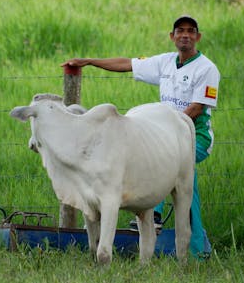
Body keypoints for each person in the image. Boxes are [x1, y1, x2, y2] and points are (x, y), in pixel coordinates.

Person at [60, 15, 220, 259]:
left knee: (180, 177)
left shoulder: (207, 69)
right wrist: (90, 61)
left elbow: (196, 109)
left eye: (190, 31)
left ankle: (186, 241)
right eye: (180, 31)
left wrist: (169, 133)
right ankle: (188, 242)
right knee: (171, 173)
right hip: (167, 133)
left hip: (192, 134)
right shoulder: (165, 62)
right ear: (172, 36)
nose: (185, 35)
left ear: (198, 37)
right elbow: (127, 64)